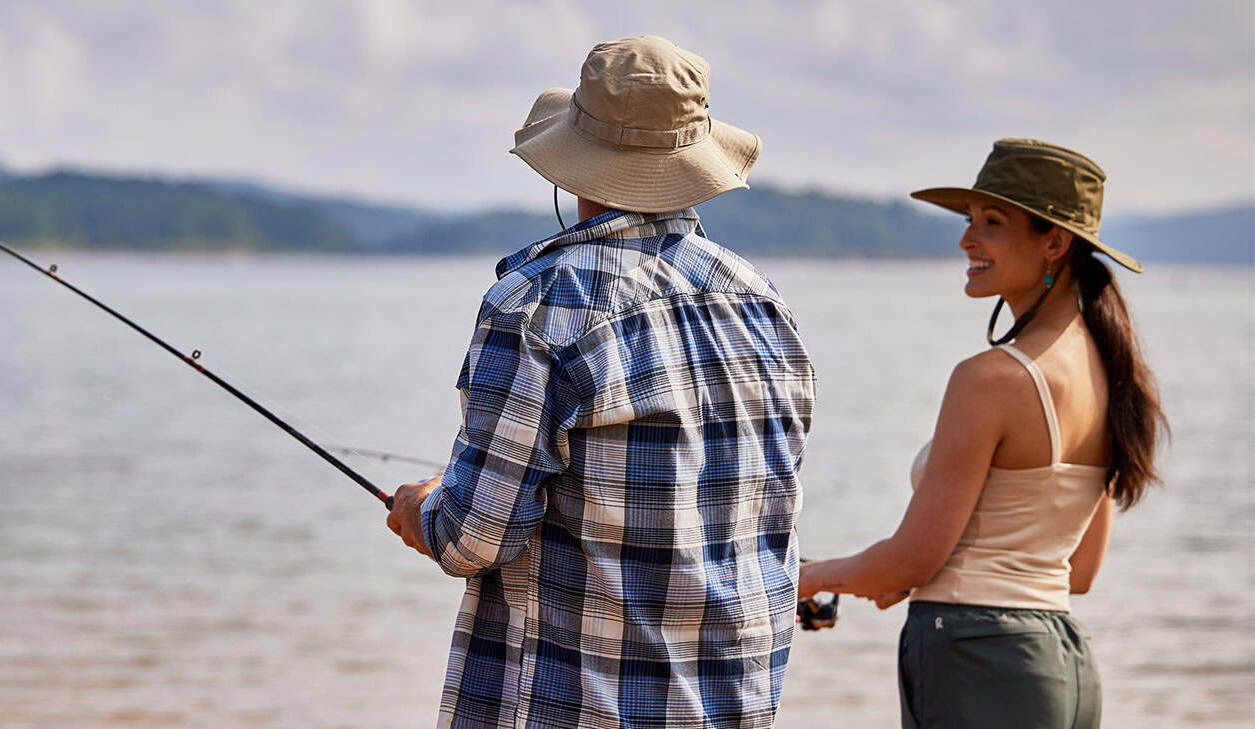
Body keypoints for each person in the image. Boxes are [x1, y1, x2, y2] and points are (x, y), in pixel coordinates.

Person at [386, 36, 816, 729]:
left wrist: (421, 509)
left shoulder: (535, 303)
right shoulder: (762, 302)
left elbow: (474, 538)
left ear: (574, 164)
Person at [796, 139, 1168, 728]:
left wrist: (808, 577)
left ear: (1055, 241)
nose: (966, 240)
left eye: (991, 223)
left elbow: (912, 561)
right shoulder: (1111, 374)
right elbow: (1079, 572)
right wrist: (906, 573)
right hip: (1061, 666)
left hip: (977, 660)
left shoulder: (991, 379)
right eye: (969, 221)